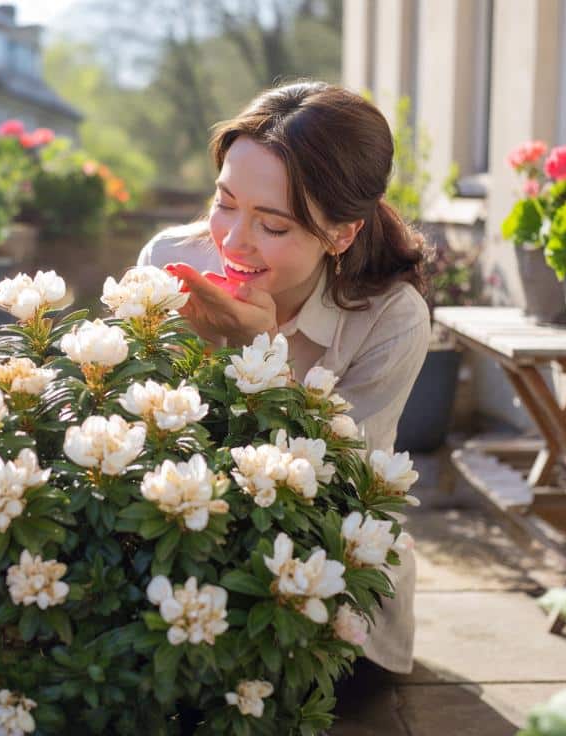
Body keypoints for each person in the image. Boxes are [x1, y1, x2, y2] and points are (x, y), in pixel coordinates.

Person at [137, 81, 428, 674]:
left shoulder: (391, 319)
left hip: (324, 583)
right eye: (224, 203)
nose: (233, 241)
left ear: (341, 234)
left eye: (272, 225)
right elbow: (122, 428)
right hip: (173, 552)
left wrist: (256, 355)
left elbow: (344, 493)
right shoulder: (172, 262)